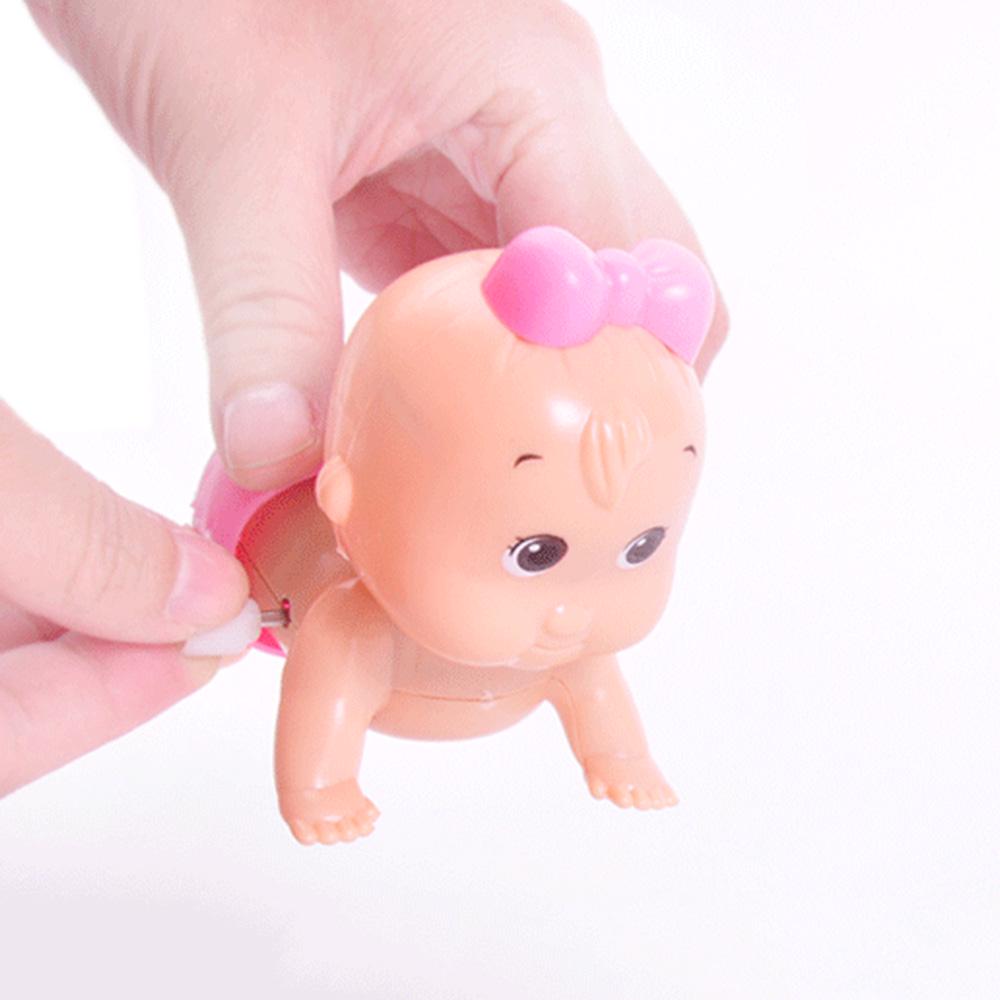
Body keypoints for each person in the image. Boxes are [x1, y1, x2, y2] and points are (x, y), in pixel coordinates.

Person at [1, 0, 727, 797]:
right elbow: (325, 708)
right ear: (343, 495)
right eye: (535, 554)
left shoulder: (570, 646)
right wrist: (322, 789)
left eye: (641, 547)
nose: (572, 611)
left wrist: (618, 758)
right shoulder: (351, 624)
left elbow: (596, 697)